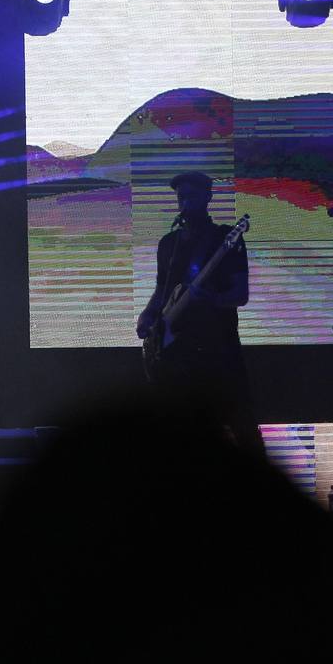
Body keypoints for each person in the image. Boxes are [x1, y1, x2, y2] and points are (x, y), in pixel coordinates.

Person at [136, 172, 263, 455]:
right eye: (181, 196)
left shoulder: (225, 238)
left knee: (240, 424)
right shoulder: (168, 243)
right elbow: (161, 292)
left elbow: (240, 294)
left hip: (219, 348)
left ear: (208, 197)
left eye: (191, 195)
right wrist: (147, 316)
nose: (185, 202)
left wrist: (212, 300)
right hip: (179, 354)